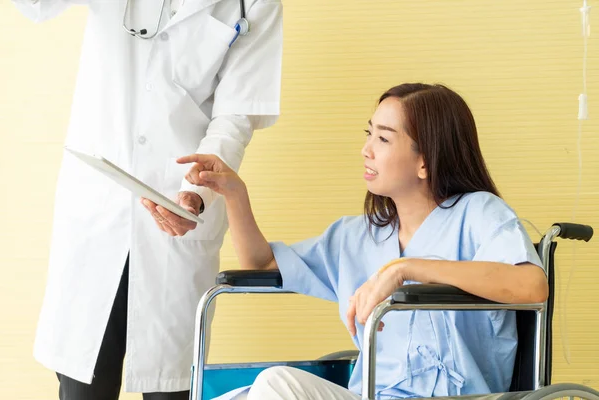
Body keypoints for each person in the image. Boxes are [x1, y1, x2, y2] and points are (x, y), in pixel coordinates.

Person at [173, 83, 549, 399]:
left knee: (277, 385)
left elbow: (532, 285)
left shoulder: (480, 214)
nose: (366, 149)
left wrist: (407, 269)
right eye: (369, 133)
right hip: (368, 394)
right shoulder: (360, 235)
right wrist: (235, 194)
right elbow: (262, 264)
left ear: (426, 161)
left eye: (384, 138)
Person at [12, 0, 282, 398]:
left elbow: (235, 115)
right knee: (82, 383)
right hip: (97, 208)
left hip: (179, 210)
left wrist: (199, 190)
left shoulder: (255, 3)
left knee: (169, 387)